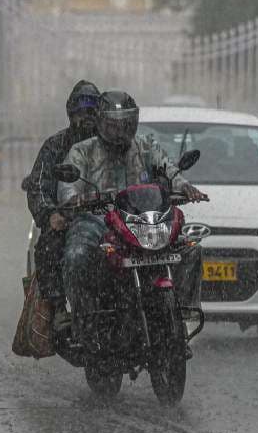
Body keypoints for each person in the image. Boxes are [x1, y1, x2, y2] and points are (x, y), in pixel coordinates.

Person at [58, 90, 207, 346]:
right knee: (76, 255)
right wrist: (74, 198)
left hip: (141, 220)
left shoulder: (146, 145)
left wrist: (185, 187)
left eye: (126, 122)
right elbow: (67, 187)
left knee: (190, 249)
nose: (120, 129)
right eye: (114, 123)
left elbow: (169, 169)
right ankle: (86, 321)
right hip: (97, 220)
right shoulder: (82, 151)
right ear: (101, 122)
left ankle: (181, 313)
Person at [24, 80, 102, 300]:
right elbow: (37, 186)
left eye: (92, 111)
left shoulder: (113, 144)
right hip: (70, 219)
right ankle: (58, 309)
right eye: (82, 111)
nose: (87, 117)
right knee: (49, 248)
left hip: (111, 219)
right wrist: (51, 214)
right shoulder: (55, 145)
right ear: (71, 113)